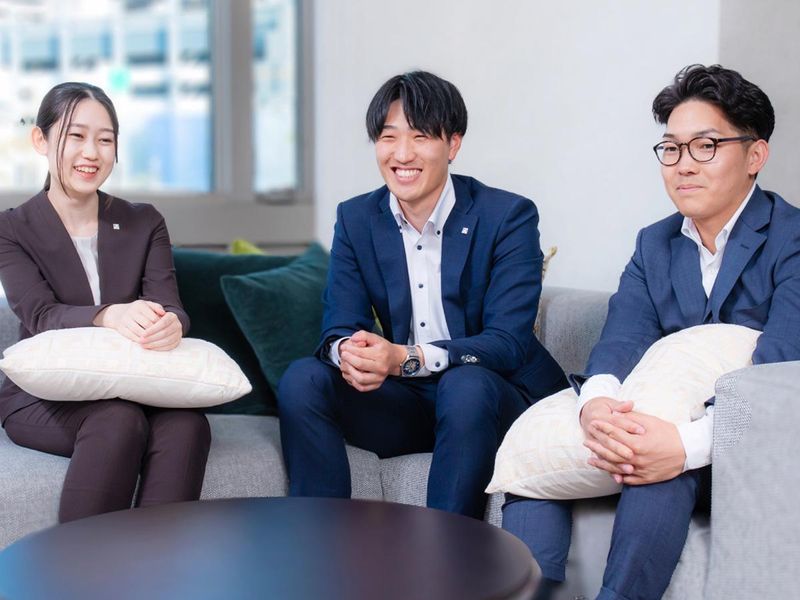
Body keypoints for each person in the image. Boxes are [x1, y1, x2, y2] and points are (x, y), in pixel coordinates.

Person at [502, 64, 800, 599]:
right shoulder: (654, 244)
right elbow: (620, 339)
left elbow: (780, 370)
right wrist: (596, 407)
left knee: (655, 467)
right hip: (656, 428)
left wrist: (681, 445)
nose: (683, 165)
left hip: (750, 447)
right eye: (671, 148)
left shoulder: (791, 238)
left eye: (705, 146)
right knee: (536, 469)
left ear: (755, 155)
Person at [277, 70, 567, 519]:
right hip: (409, 405)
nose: (402, 154)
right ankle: (321, 540)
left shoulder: (507, 215)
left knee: (464, 384)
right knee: (303, 378)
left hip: (493, 399)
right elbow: (338, 326)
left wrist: (405, 358)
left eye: (420, 136)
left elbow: (507, 343)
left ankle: (445, 553)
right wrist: (351, 352)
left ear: (453, 144)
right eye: (388, 136)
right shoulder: (357, 218)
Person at [0, 82, 211, 523]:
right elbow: (41, 315)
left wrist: (172, 323)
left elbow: (171, 306)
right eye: (75, 136)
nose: (91, 153)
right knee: (117, 421)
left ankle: (156, 562)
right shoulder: (12, 229)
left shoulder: (144, 221)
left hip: (136, 385)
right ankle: (79, 563)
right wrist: (110, 315)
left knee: (188, 424)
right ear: (41, 140)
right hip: (44, 396)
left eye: (105, 139)